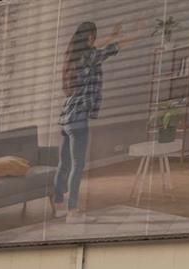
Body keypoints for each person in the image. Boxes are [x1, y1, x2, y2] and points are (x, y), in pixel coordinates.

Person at [54, 21, 122, 224]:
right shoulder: (89, 56)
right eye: (93, 35)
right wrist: (117, 37)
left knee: (64, 163)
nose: (94, 39)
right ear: (88, 36)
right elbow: (110, 51)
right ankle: (73, 211)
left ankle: (58, 205)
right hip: (78, 118)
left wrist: (111, 37)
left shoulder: (72, 57)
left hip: (66, 116)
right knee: (77, 165)